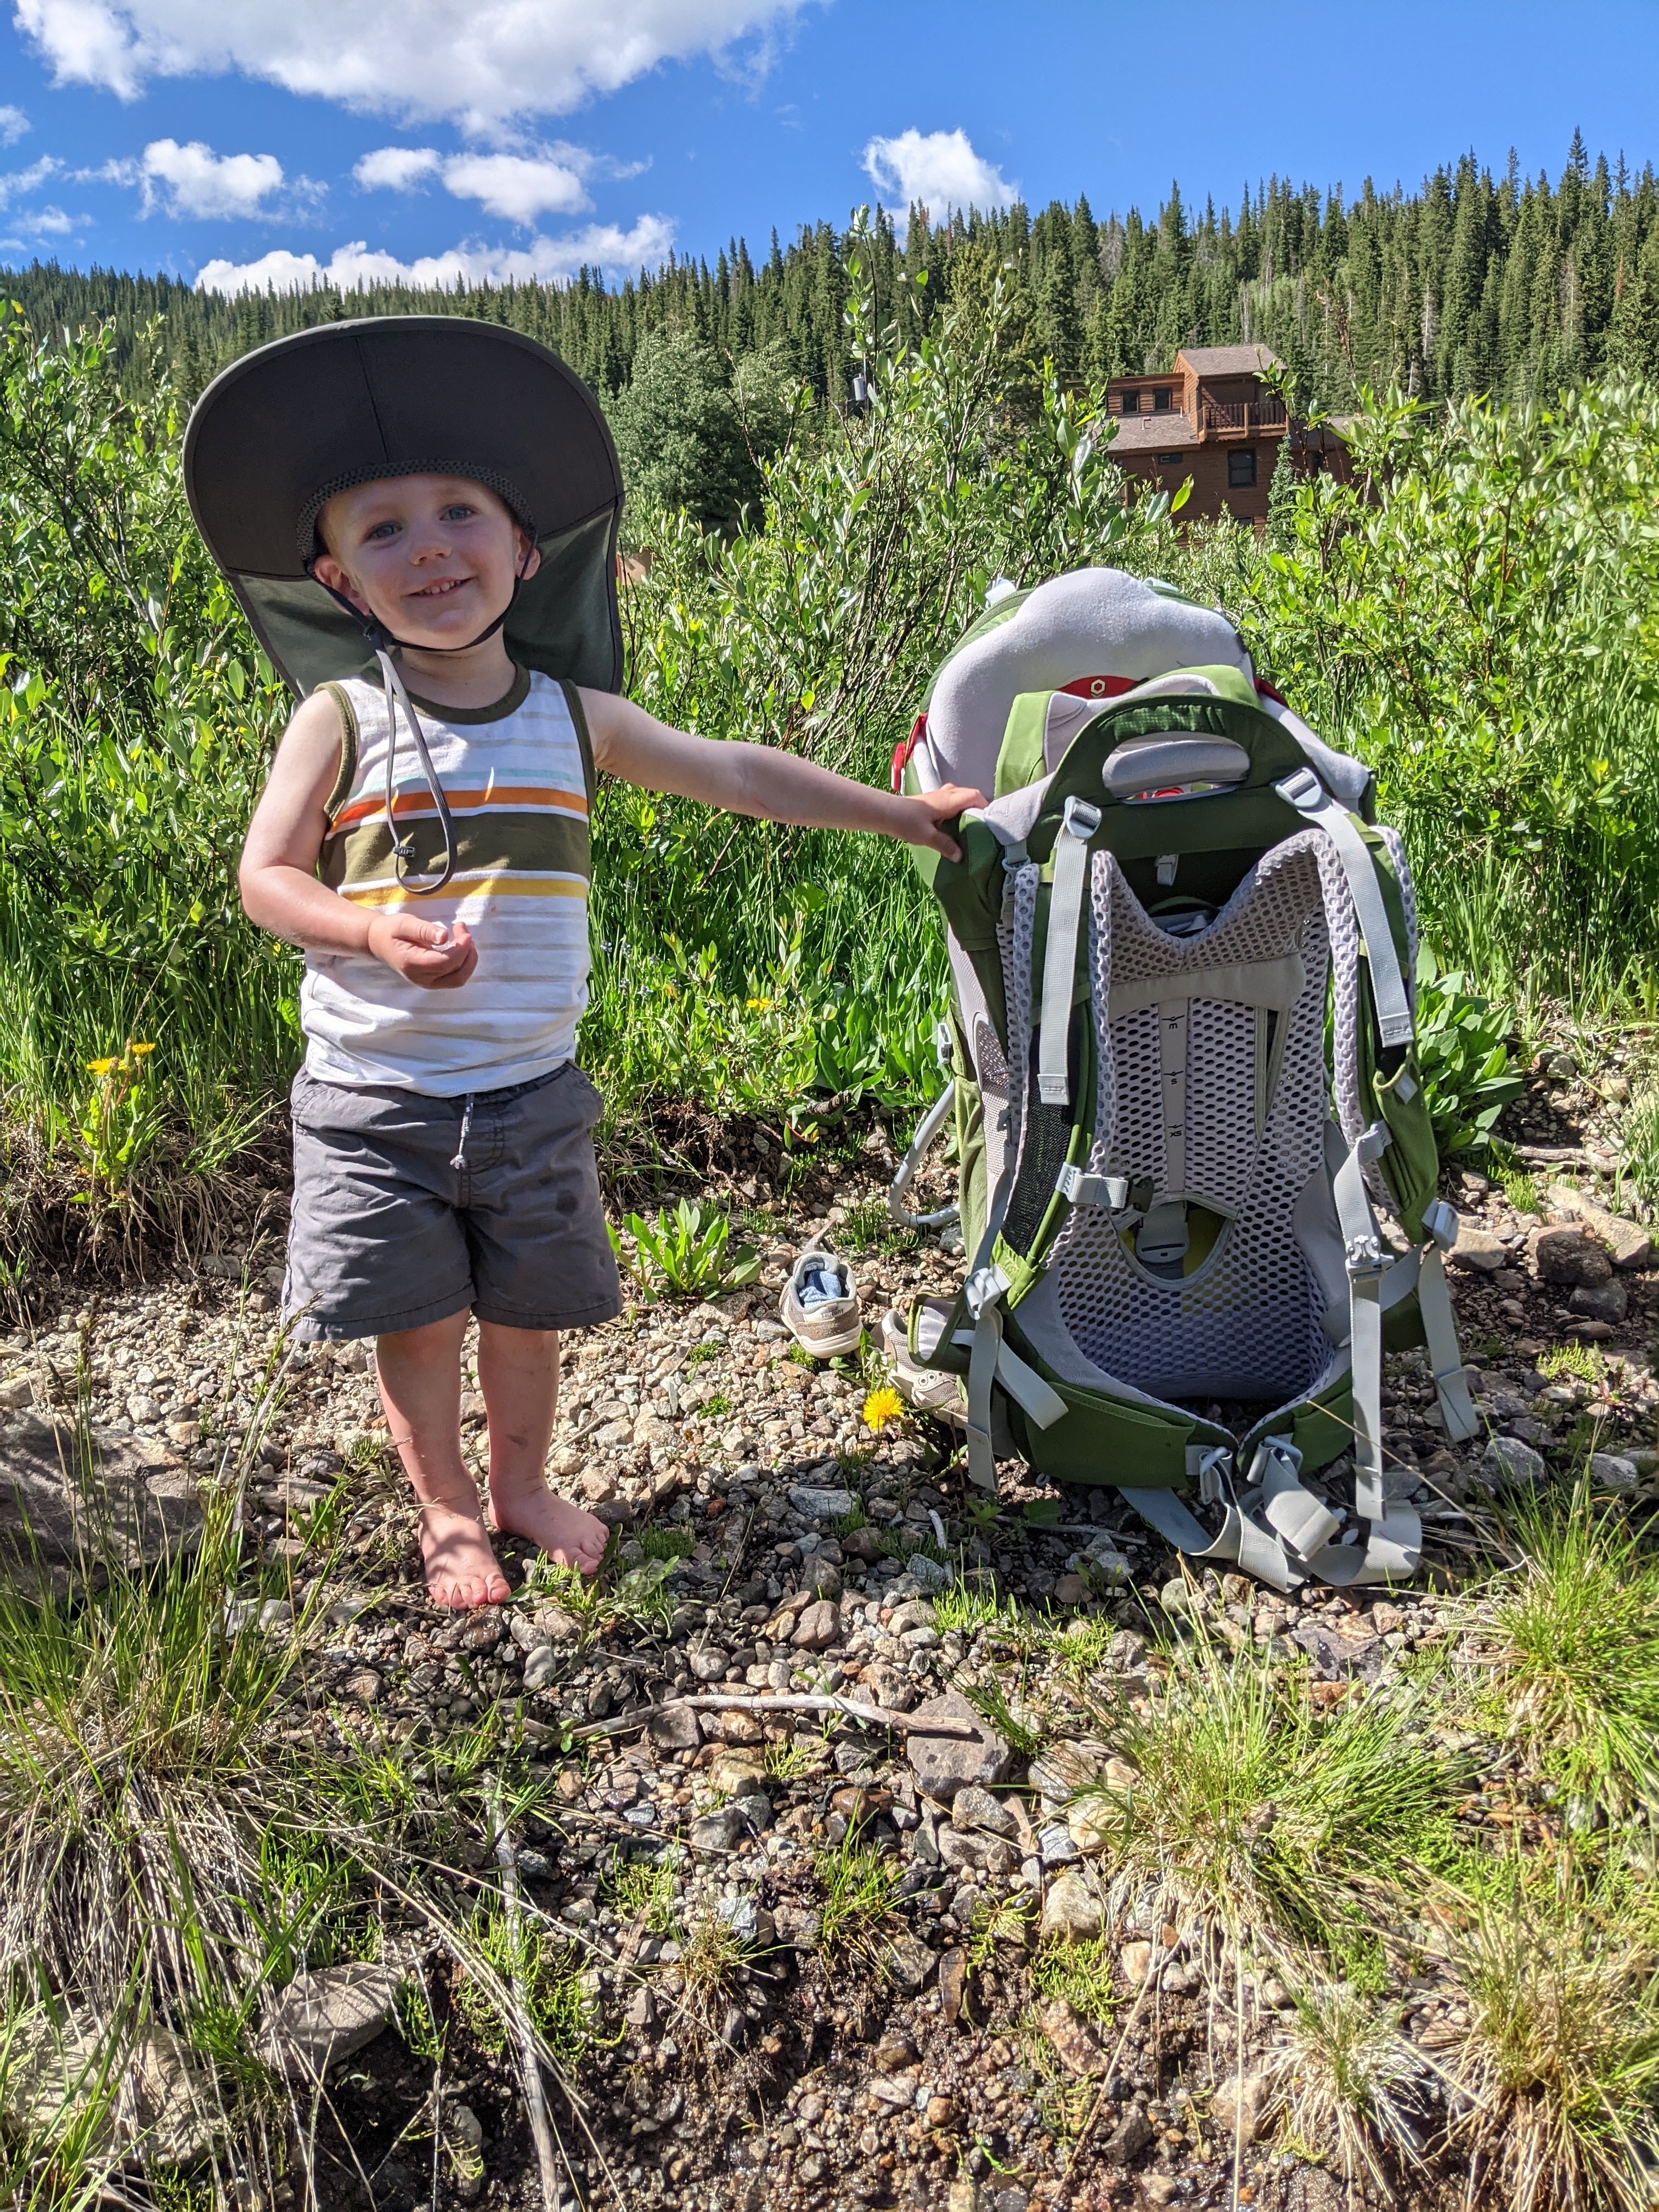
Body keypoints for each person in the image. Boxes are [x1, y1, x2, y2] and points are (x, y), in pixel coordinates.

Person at [185, 318, 981, 1611]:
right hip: (376, 1099)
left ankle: (522, 1486)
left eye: (459, 512)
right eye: (383, 530)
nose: (428, 546)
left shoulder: (573, 718)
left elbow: (738, 774)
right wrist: (371, 931)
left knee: (526, 1315)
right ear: (338, 583)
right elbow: (264, 879)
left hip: (532, 1094)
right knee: (418, 1323)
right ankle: (446, 1508)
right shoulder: (339, 719)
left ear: (525, 550)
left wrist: (904, 814)